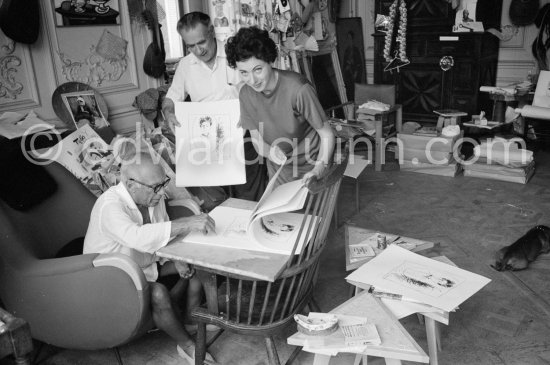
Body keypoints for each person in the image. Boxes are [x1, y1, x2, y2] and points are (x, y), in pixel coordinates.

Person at [83, 152, 218, 365]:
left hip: (143, 265)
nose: (162, 191)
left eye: (163, 184)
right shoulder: (109, 206)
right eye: (156, 187)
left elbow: (161, 237)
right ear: (130, 184)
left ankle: (190, 317)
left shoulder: (153, 196)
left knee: (195, 263)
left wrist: (177, 258)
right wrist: (187, 223)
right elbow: (138, 237)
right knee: (158, 293)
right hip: (112, 277)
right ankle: (187, 346)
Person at [162, 11, 267, 202]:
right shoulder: (185, 66)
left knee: (251, 198)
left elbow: (260, 90)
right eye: (191, 46)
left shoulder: (235, 55)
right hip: (207, 146)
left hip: (244, 138)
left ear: (211, 31)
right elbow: (170, 99)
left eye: (201, 42)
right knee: (218, 201)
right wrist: (168, 112)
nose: (198, 50)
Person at [225, 26, 335, 186]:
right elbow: (256, 140)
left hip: (313, 164)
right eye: (244, 73)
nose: (252, 80)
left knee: (314, 211)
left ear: (271, 61)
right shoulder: (246, 95)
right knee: (280, 211)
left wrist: (319, 169)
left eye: (257, 70)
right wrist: (270, 152)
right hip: (280, 170)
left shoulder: (298, 89)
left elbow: (327, 134)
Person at [343, 30, 363, 101]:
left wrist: (356, 73)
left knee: (356, 93)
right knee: (349, 93)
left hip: (355, 76)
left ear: (353, 39)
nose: (349, 40)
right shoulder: (346, 51)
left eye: (350, 38)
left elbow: (359, 64)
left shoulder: (356, 50)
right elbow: (344, 66)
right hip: (349, 77)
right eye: (348, 38)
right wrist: (347, 68)